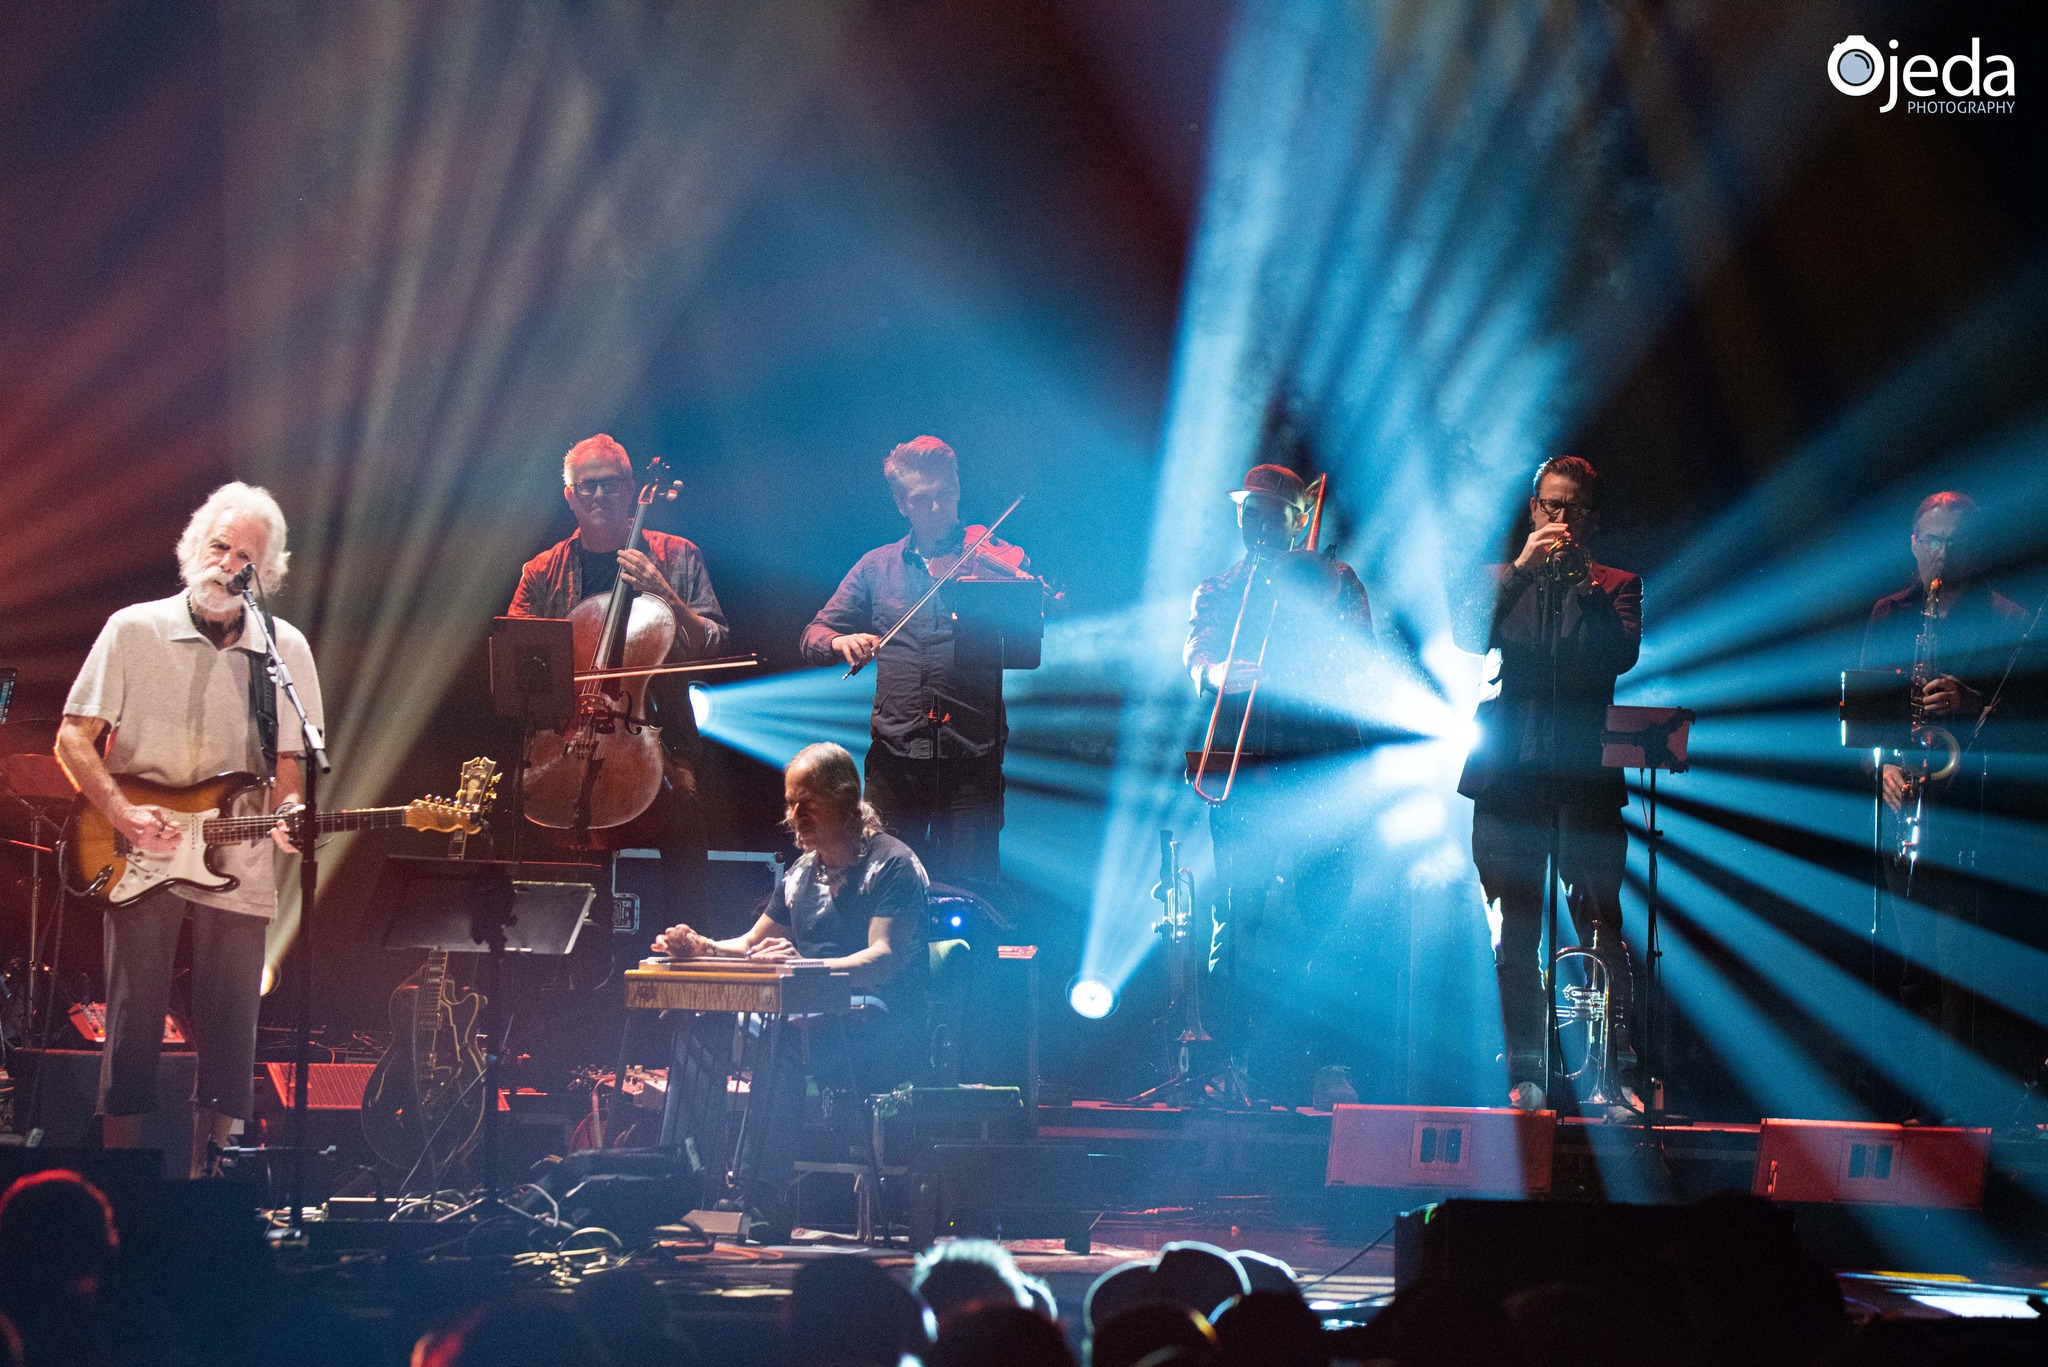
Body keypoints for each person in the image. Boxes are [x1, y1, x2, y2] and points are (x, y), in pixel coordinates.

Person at [54, 482, 320, 1175]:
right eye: (220, 546)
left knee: (232, 1035)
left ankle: (212, 1187)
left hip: (239, 857)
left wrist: (291, 818)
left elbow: (292, 762)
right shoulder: (132, 629)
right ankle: (121, 1190)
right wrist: (122, 812)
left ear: (268, 575)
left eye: (247, 559)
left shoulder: (283, 650)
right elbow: (73, 739)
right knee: (134, 1026)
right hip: (140, 851)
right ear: (192, 546)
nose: (229, 564)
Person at [652, 743, 929, 1224]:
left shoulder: (894, 864)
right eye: (789, 802)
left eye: (807, 802)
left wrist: (805, 969)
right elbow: (751, 944)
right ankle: (679, 1184)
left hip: (874, 1023)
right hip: (803, 1011)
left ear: (846, 799)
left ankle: (761, 1199)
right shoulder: (802, 872)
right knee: (699, 1032)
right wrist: (702, 947)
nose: (793, 815)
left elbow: (883, 959)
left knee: (776, 1036)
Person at [1456, 456, 1642, 1114]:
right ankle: (1527, 1073)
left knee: (1600, 927)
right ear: (1532, 509)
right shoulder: (1500, 581)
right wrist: (1525, 572)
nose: (1558, 519)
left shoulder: (1616, 584)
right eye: (1548, 507)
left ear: (1590, 518)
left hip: (1585, 783)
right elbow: (1463, 635)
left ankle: (1606, 1075)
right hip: (1508, 780)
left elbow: (1618, 654)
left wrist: (1584, 585)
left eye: (1571, 509)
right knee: (1517, 930)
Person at [1183, 464, 1373, 1103]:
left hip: (1321, 762)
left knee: (1329, 916)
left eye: (1268, 512)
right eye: (1247, 511)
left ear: (1298, 518)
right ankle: (1232, 1062)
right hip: (1245, 765)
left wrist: (1314, 601)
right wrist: (1214, 675)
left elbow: (1360, 659)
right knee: (1235, 916)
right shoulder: (1218, 588)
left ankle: (1328, 1065)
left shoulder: (1336, 579)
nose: (1254, 522)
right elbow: (1198, 653)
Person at [1859, 492, 2031, 1122]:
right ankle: (1910, 1115)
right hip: (1905, 813)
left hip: (1971, 819)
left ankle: (1957, 1120)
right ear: (1912, 541)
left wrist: (1973, 701)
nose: (1942, 553)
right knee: (1909, 967)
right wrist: (1884, 768)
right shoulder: (1890, 613)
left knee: (1959, 972)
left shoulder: (2008, 618)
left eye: (1955, 542)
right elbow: (1864, 717)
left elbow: (2029, 726)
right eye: (1931, 539)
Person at [509, 433, 730, 920]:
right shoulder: (542, 571)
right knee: (517, 816)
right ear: (569, 497)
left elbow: (714, 644)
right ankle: (542, 957)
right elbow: (517, 660)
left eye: (609, 485)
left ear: (631, 489)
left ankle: (685, 950)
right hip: (565, 734)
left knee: (684, 816)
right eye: (585, 487)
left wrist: (664, 593)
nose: (598, 496)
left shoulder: (677, 556)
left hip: (657, 733)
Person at [800, 436, 1030, 891]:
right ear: (902, 504)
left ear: (958, 487)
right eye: (921, 499)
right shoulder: (876, 566)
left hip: (972, 752)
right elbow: (812, 635)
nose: (937, 506)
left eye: (944, 492)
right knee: (885, 887)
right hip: (896, 755)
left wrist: (1031, 600)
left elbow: (1027, 632)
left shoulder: (993, 556)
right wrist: (842, 641)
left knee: (972, 891)